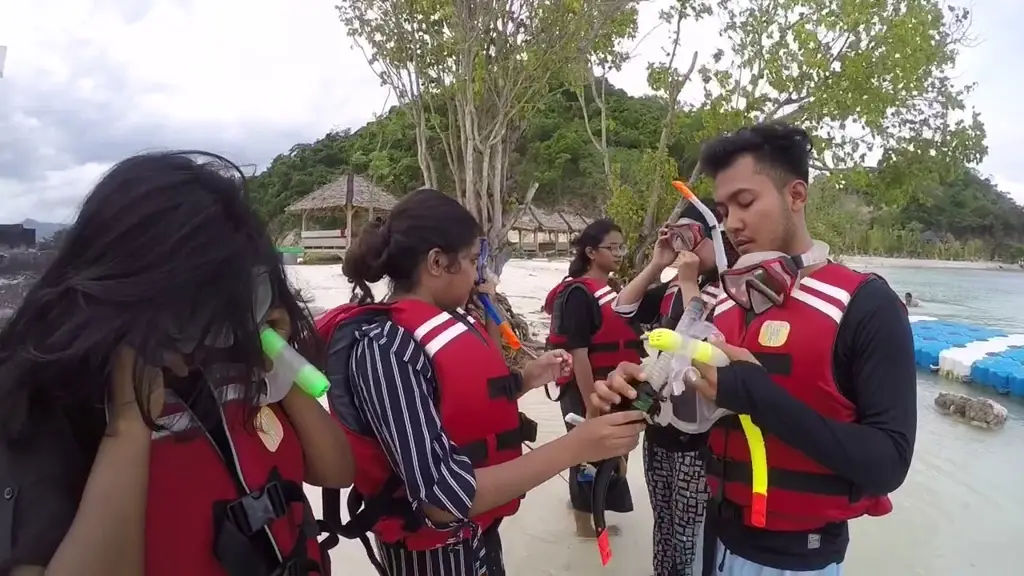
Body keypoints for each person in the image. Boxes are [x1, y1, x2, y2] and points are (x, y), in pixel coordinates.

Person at [0, 151, 354, 576]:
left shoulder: (229, 359)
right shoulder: (49, 400)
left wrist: (280, 362)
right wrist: (128, 425)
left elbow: (336, 470)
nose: (206, 326)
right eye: (192, 301)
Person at [590, 123, 917, 576]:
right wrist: (635, 395)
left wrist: (756, 394)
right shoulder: (717, 302)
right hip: (713, 538)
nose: (732, 223)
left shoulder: (866, 304)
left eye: (745, 203)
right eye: (723, 210)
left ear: (796, 195)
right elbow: (686, 409)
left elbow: (889, 464)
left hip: (798, 559)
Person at [315, 189, 645, 576]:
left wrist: (526, 379)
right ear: (437, 262)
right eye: (473, 261)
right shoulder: (385, 349)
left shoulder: (455, 320)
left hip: (480, 535)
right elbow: (443, 498)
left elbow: (452, 405)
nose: (478, 274)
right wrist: (577, 446)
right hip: (431, 555)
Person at [613, 203, 737, 576]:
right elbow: (622, 309)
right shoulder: (670, 289)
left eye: (692, 237)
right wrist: (657, 263)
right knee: (664, 528)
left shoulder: (728, 292)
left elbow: (699, 338)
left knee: (691, 540)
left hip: (698, 444)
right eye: (678, 234)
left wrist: (688, 282)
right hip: (660, 431)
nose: (684, 246)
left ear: (718, 239)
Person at [542, 219, 642, 536]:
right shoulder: (577, 294)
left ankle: (593, 516)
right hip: (585, 389)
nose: (620, 253)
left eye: (621, 247)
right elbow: (580, 353)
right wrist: (591, 405)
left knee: (612, 452)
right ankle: (585, 526)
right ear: (590, 252)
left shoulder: (615, 292)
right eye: (612, 247)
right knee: (586, 454)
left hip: (615, 388)